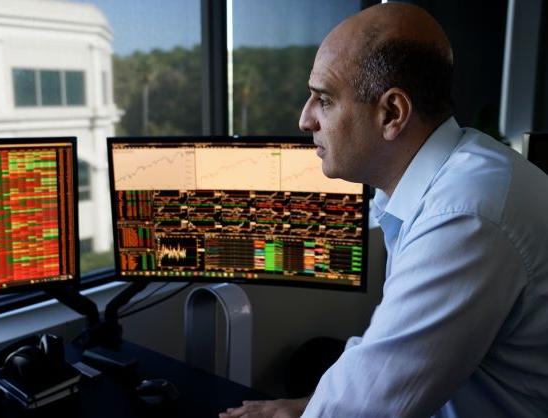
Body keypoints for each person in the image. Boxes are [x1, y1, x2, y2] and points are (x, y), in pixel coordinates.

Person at [220, 2, 548, 417]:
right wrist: (304, 408)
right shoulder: (447, 177)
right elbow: (389, 359)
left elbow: (370, 407)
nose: (305, 119)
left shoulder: (463, 214)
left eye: (324, 99)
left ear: (392, 113)